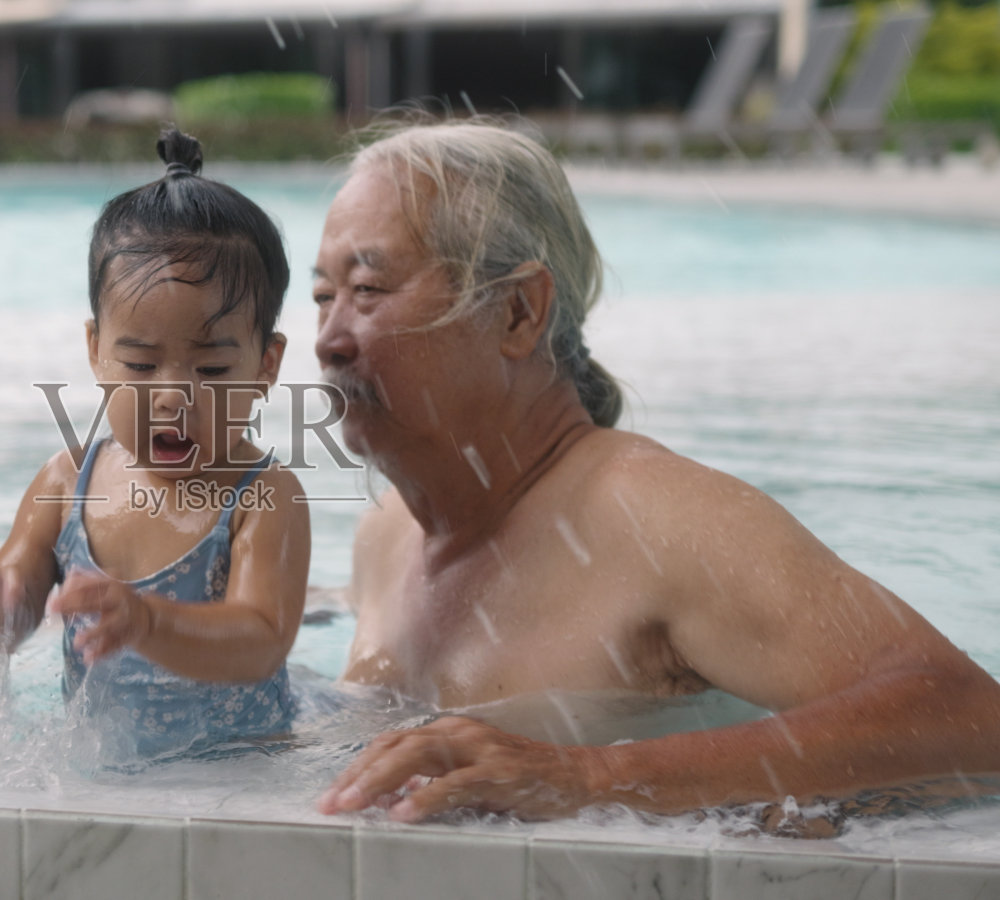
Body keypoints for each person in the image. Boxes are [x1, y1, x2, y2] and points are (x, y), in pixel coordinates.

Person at [310, 119, 1000, 822]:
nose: (328, 341)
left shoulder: (659, 522)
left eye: (368, 290)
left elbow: (971, 717)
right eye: (321, 298)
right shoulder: (387, 534)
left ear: (518, 312)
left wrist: (588, 774)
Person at [0, 129, 310, 760]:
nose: (172, 396)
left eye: (212, 371)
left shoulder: (263, 498)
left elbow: (262, 637)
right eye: (139, 365)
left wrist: (150, 621)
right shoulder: (66, 482)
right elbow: (21, 593)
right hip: (105, 777)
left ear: (267, 365)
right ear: (95, 351)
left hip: (244, 775)